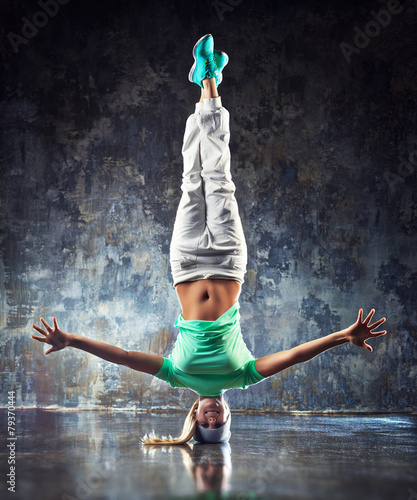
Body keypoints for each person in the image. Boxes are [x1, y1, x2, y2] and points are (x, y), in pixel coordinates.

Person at [31, 34, 387, 445]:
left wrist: (72, 340)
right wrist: (343, 336)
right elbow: (294, 355)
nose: (213, 420)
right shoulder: (244, 375)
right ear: (227, 416)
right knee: (218, 179)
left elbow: (125, 357)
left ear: (194, 414)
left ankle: (207, 81)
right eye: (220, 425)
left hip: (184, 263)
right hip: (229, 260)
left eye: (205, 425)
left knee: (189, 182)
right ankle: (209, 79)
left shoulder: (177, 376)